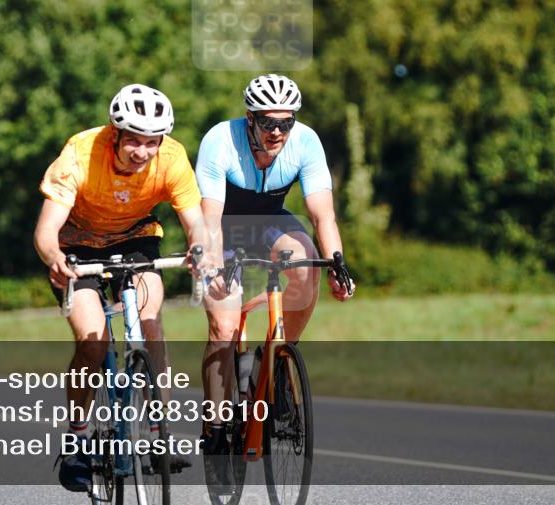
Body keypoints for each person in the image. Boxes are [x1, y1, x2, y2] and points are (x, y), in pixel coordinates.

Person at [34, 83, 218, 491]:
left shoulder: (172, 158)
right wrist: (55, 261)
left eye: (152, 142)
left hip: (136, 241)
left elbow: (194, 222)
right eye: (133, 141)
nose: (143, 152)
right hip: (77, 245)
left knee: (151, 326)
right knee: (93, 341)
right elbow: (46, 231)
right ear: (114, 134)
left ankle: (158, 435)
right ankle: (78, 437)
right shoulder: (80, 155)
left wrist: (200, 250)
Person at [194, 74, 355, 464]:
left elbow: (323, 215)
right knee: (224, 326)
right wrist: (212, 265)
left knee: (307, 265)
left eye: (286, 122)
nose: (278, 131)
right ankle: (216, 423)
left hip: (269, 221)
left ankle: (281, 364)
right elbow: (209, 219)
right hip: (224, 229)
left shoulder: (306, 142)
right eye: (269, 122)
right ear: (251, 118)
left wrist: (338, 264)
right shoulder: (221, 140)